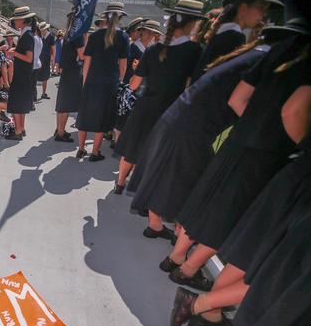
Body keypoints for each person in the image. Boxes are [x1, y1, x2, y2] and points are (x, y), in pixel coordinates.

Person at [128, 20, 301, 245]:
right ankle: (164, 229)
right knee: (181, 178)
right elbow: (238, 102)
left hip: (185, 116)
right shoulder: (263, 59)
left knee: (169, 174)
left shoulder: (250, 53)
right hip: (198, 125)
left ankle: (157, 225)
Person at [166, 32, 311, 292]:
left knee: (207, 200)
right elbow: (294, 111)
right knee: (227, 215)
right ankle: (187, 270)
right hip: (266, 152)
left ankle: (176, 257)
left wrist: (253, 126)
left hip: (239, 140)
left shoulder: (279, 50)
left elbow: (237, 99)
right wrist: (302, 144)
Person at [113, 0, 205, 193]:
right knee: (155, 153)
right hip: (170, 110)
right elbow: (191, 84)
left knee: (131, 149)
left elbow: (135, 84)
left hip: (145, 106)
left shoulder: (153, 49)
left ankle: (120, 183)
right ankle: (141, 189)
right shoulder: (195, 51)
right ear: (193, 23)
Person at [191, 0, 283, 82]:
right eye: (261, 8)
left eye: (266, 10)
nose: (264, 14)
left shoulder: (223, 32)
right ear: (243, 8)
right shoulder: (235, 37)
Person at [75, 2, 129, 161]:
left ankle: (81, 148)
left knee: (85, 115)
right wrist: (119, 81)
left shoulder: (95, 36)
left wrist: (85, 81)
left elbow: (87, 62)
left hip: (91, 81)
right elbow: (123, 65)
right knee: (102, 117)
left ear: (105, 16)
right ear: (119, 18)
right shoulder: (123, 37)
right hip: (110, 83)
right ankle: (95, 152)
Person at [114, 19, 160, 146]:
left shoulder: (153, 50)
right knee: (123, 116)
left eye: (153, 33)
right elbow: (125, 66)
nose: (150, 35)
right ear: (142, 32)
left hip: (143, 88)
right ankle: (117, 142)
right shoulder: (134, 47)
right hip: (130, 85)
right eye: (148, 31)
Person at [53, 10, 86, 142]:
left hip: (67, 71)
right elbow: (83, 55)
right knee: (66, 104)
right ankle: (60, 133)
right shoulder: (77, 36)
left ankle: (59, 129)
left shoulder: (68, 34)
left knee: (62, 103)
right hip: (72, 71)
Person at [5, 6, 37, 141]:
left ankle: (17, 130)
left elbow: (29, 57)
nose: (15, 22)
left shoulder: (27, 36)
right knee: (21, 104)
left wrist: (14, 53)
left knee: (16, 103)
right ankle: (21, 128)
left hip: (22, 75)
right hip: (24, 75)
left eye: (17, 19)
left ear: (23, 20)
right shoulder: (27, 34)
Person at [38, 22, 55, 99]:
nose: (42, 31)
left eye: (43, 30)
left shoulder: (50, 36)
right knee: (35, 75)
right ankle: (33, 95)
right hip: (38, 58)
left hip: (46, 58)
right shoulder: (39, 36)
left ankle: (43, 93)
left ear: (46, 29)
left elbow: (53, 48)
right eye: (41, 30)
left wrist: (52, 58)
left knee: (45, 76)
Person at [31, 25, 43, 105]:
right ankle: (33, 99)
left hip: (33, 64)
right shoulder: (39, 39)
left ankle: (31, 101)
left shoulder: (34, 38)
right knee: (33, 84)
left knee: (31, 84)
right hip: (37, 63)